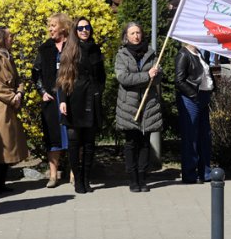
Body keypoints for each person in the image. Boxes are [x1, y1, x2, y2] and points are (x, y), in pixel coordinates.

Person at [113, 22, 162, 193]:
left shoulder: (151, 53)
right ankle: (133, 179)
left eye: (138, 32)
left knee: (145, 143)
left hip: (148, 104)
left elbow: (157, 77)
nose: (136, 36)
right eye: (132, 33)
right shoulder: (122, 55)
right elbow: (123, 78)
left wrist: (156, 75)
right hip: (129, 106)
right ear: (126, 36)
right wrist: (146, 76)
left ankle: (143, 178)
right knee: (131, 143)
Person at [0, 25, 28, 194]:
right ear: (1, 38)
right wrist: (12, 97)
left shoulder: (7, 56)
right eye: (9, 36)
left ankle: (0, 183)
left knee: (7, 146)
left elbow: (17, 78)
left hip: (9, 106)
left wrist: (19, 93)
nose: (12, 39)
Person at [63, 17, 107, 193]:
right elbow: (63, 78)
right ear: (75, 31)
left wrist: (99, 90)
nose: (84, 30)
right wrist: (63, 101)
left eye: (87, 27)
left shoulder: (96, 49)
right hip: (74, 100)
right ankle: (78, 180)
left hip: (92, 98)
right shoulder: (71, 50)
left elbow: (102, 75)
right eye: (80, 28)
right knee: (74, 142)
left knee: (89, 143)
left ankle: (87, 178)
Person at [34, 14, 74, 189]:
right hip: (51, 98)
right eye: (49, 26)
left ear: (63, 28)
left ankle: (74, 173)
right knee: (53, 137)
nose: (50, 29)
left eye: (53, 25)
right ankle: (53, 175)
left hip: (71, 97)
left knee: (73, 135)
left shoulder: (73, 46)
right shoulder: (45, 49)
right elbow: (36, 73)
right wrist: (42, 91)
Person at [176, 42, 216, 185]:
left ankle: (205, 172)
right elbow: (179, 80)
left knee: (205, 136)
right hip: (191, 99)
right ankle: (189, 174)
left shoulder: (200, 54)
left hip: (204, 97)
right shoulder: (183, 54)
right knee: (190, 136)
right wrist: (193, 95)